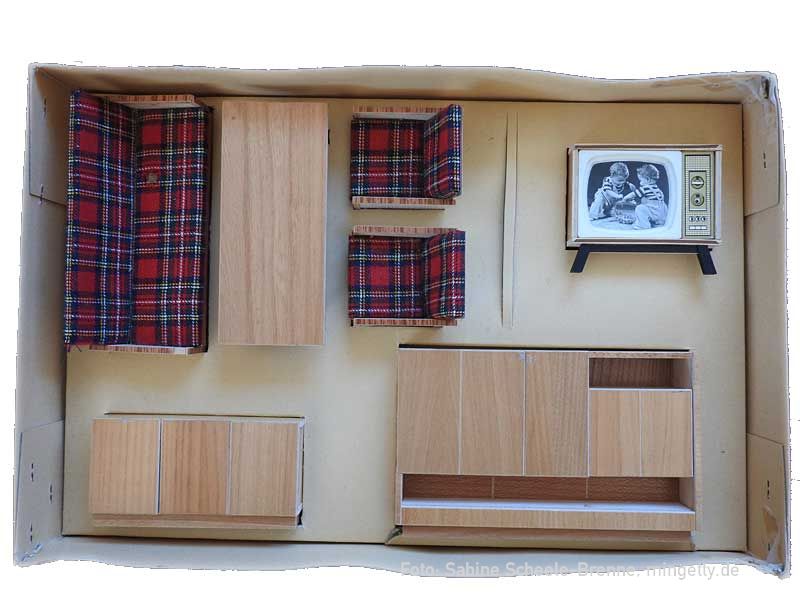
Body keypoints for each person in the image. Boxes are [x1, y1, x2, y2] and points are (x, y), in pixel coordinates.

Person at [625, 164, 667, 229]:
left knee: (640, 208)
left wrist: (625, 198)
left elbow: (633, 194)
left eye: (641, 180)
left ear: (648, 179)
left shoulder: (645, 188)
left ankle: (643, 225)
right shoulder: (657, 189)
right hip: (661, 214)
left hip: (653, 213)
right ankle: (659, 221)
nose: (640, 183)